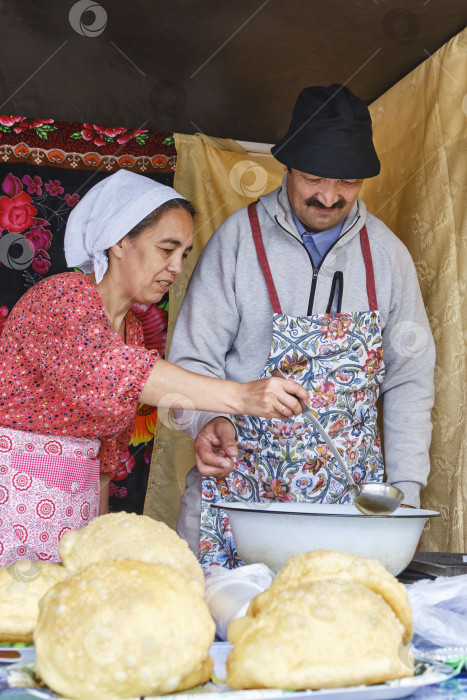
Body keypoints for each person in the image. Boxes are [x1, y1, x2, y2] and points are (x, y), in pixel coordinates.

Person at [169, 84, 436, 567]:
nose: (330, 197)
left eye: (349, 183)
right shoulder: (236, 244)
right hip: (240, 494)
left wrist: (408, 491)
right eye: (314, 177)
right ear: (287, 166)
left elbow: (409, 380)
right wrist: (211, 421)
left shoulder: (389, 258)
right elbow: (191, 360)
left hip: (350, 508)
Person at [0, 170, 307, 567]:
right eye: (167, 249)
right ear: (119, 242)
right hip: (11, 510)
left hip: (70, 525)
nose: (177, 267)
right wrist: (244, 395)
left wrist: (95, 550)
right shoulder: (62, 298)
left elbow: (106, 463)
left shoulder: (131, 333)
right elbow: (118, 370)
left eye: (184, 254)